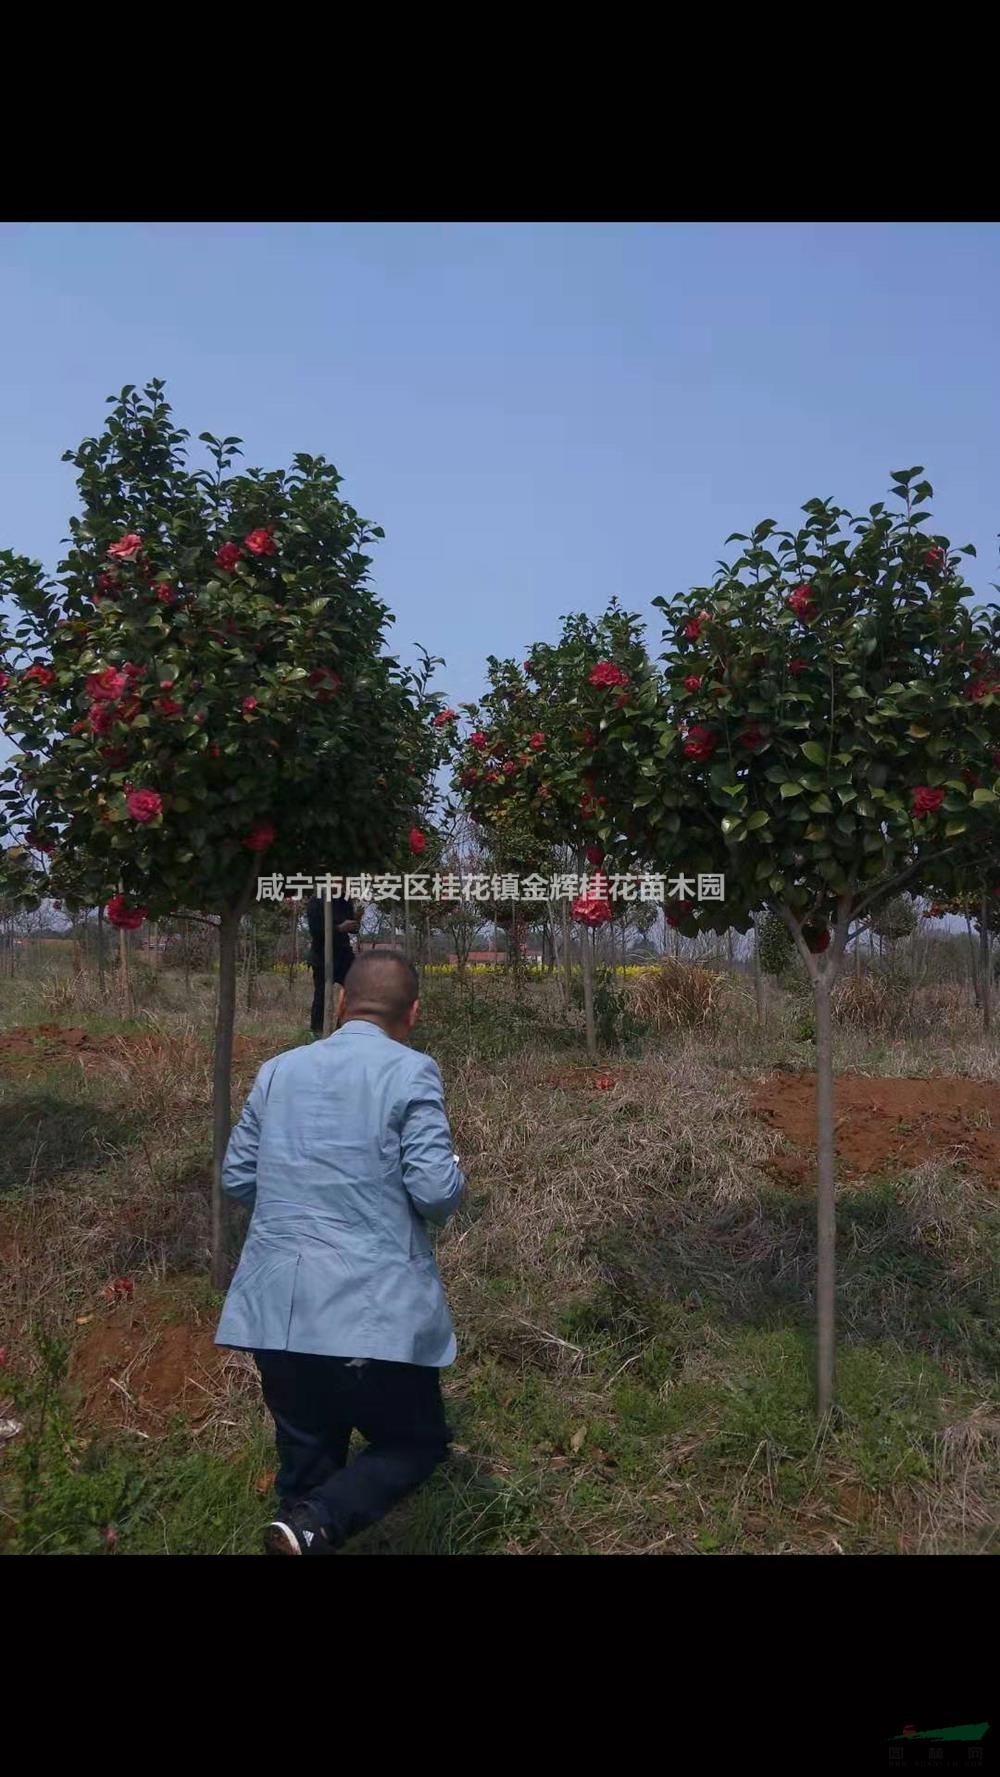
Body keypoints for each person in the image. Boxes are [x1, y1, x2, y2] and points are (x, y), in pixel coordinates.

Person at [215, 950, 465, 1556]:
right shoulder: (411, 1072)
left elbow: (238, 1178)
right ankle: (317, 1522)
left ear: (341, 1004)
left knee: (307, 1464)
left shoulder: (277, 1071)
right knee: (415, 1444)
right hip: (369, 1313)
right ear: (412, 1013)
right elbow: (435, 1193)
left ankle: (304, 1525)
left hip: (280, 1310)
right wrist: (456, 1173)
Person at [306, 889, 359, 1035]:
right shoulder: (317, 899)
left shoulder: (345, 899)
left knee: (355, 988)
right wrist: (339, 928)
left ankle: (343, 1029)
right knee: (321, 996)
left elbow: (353, 928)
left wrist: (356, 922)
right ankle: (317, 1032)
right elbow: (315, 930)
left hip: (344, 954)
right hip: (322, 954)